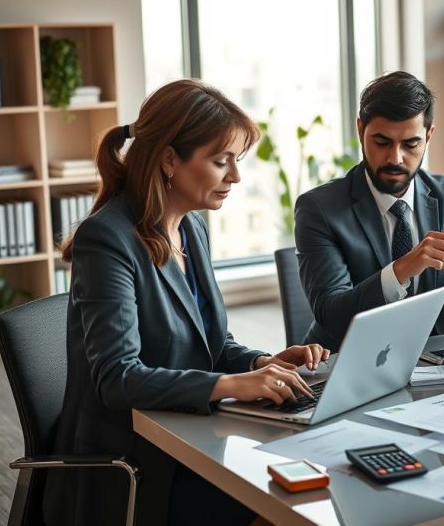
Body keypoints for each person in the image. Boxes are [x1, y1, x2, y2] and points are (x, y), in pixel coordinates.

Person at [46, 79, 329, 526]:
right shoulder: (107, 239)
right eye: (221, 162)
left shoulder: (190, 229)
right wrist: (233, 386)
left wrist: (260, 362)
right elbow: (118, 379)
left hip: (192, 436)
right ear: (169, 160)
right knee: (287, 510)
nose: (235, 177)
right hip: (136, 461)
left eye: (236, 161)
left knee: (310, 487)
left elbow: (212, 344)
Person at [295, 71, 444, 351]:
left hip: (435, 358)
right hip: (348, 362)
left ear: (429, 136)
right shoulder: (319, 209)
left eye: (411, 144)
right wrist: (403, 268)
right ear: (361, 130)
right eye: (382, 142)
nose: (395, 158)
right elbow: (332, 315)